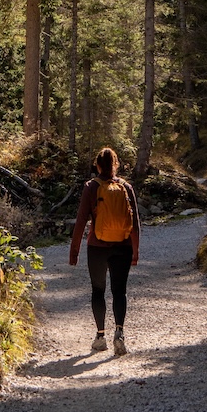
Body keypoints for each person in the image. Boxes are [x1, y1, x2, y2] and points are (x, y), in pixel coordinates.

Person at [69, 145, 140, 356]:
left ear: (97, 165)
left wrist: (74, 252)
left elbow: (81, 220)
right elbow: (135, 223)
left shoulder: (91, 187)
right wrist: (135, 252)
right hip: (123, 246)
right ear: (116, 165)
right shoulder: (126, 187)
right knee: (119, 291)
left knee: (98, 291)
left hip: (97, 246)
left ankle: (100, 337)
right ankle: (119, 334)